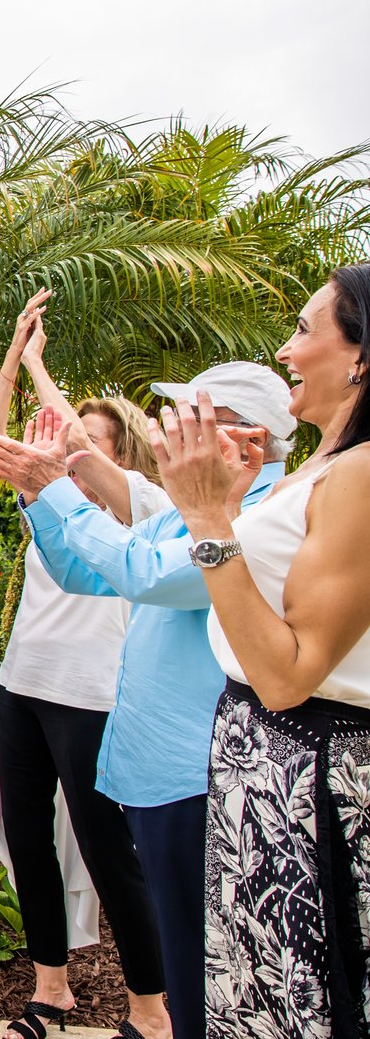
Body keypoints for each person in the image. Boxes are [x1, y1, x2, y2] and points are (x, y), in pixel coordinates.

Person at [0, 360, 296, 1039]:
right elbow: (84, 571)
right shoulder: (186, 513)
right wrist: (40, 492)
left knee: (209, 963)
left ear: (248, 440)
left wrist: (54, 485)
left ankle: (151, 1018)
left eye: (189, 421)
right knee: (192, 956)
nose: (168, 433)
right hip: (154, 773)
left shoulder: (261, 518)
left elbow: (142, 572)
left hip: (201, 775)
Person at [146, 263, 370, 1038]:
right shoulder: (323, 466)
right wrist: (225, 507)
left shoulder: (362, 474)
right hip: (262, 762)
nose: (284, 350)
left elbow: (286, 676)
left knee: (299, 1004)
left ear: (361, 355)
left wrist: (210, 519)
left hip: (308, 770)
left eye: (304, 330)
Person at [0, 291, 174, 1039]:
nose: (70, 448)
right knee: (30, 843)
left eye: (89, 442)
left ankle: (151, 1010)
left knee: (108, 852)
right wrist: (15, 356)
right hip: (24, 685)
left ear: (119, 456)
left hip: (91, 695)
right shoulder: (48, 501)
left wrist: (41, 369)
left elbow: (83, 448)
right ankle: (50, 988)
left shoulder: (133, 510)